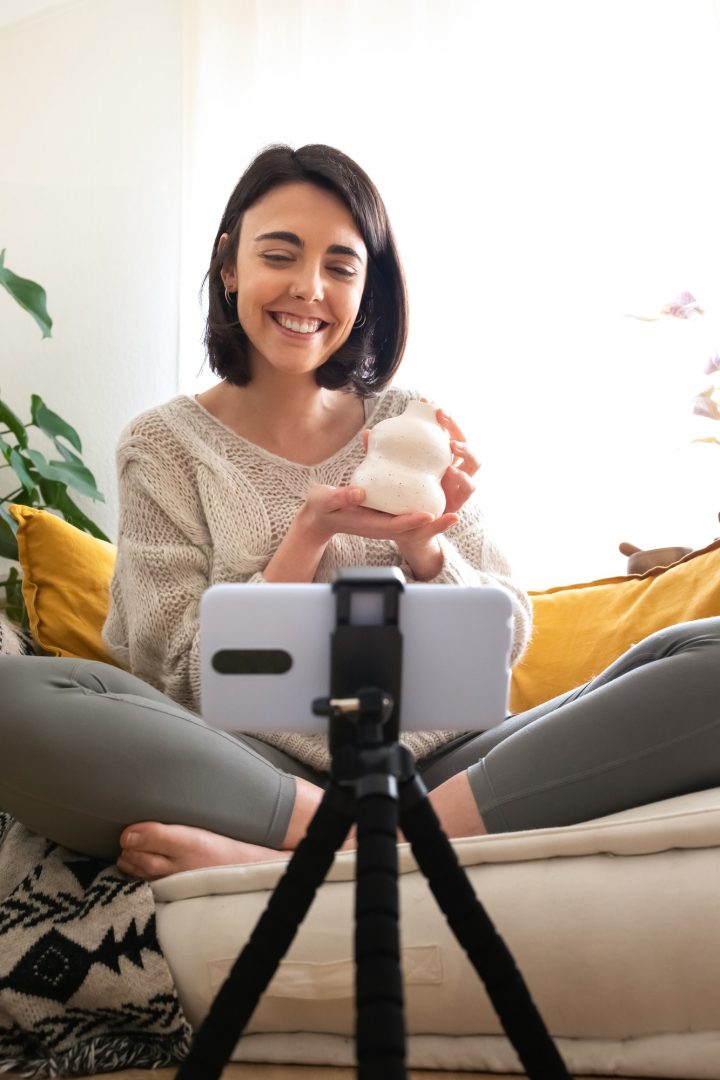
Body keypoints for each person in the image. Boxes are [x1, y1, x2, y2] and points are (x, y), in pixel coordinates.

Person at [1, 144, 719, 881]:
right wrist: (308, 536)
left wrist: (428, 551)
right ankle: (369, 846)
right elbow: (182, 679)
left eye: (340, 267)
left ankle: (329, 858)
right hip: (258, 773)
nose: (309, 288)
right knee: (13, 699)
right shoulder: (162, 445)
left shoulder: (412, 420)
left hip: (443, 767)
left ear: (367, 287)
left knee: (708, 652)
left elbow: (505, 636)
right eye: (280, 255)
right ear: (229, 266)